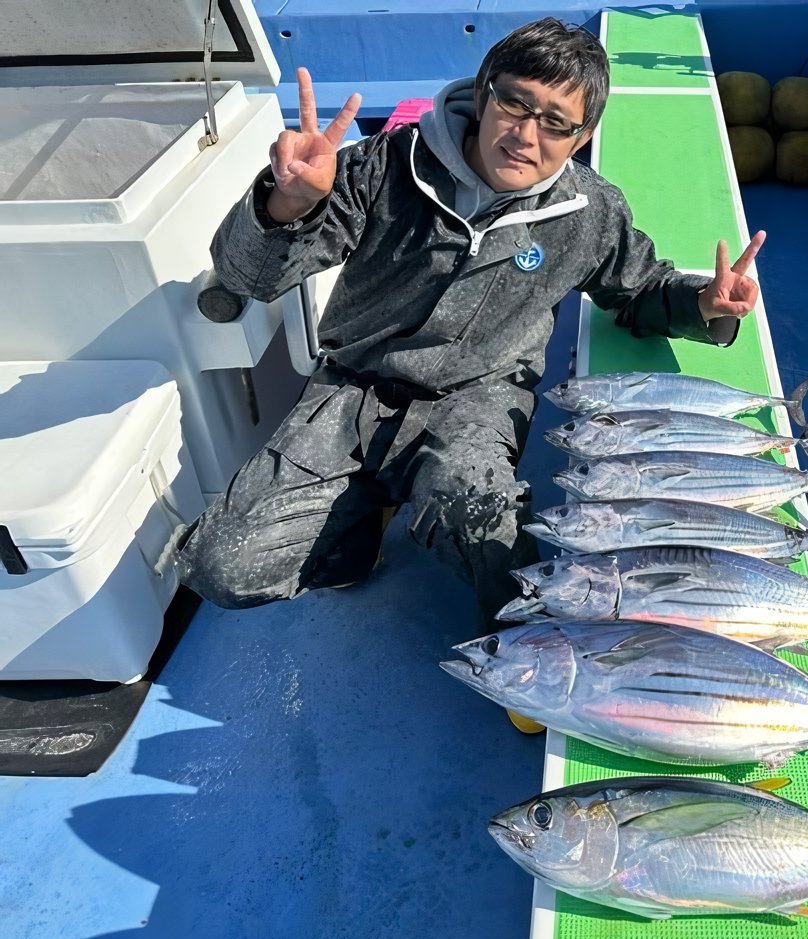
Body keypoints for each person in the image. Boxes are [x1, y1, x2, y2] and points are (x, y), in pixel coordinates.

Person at [175, 17, 764, 633]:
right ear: (483, 92)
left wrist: (704, 304)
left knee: (496, 549)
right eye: (515, 102)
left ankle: (490, 609)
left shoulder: (590, 211)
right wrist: (286, 204)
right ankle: (355, 534)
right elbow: (251, 277)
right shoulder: (383, 165)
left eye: (557, 122)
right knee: (223, 569)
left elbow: (637, 288)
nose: (525, 135)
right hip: (351, 388)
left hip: (475, 404)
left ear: (581, 135)